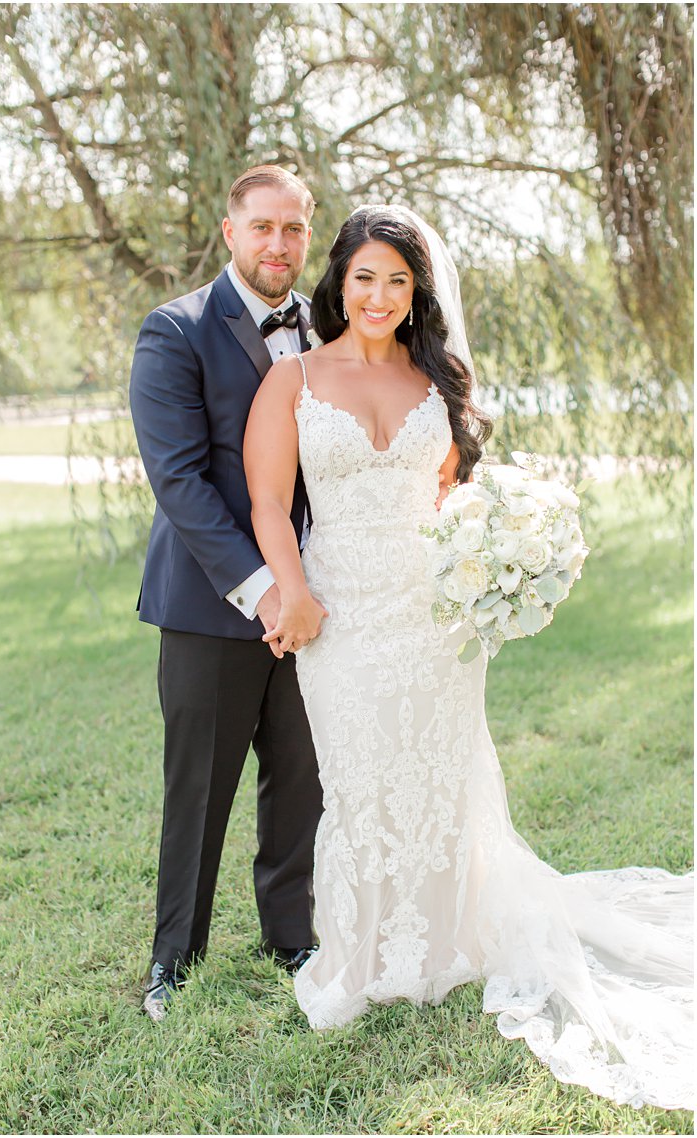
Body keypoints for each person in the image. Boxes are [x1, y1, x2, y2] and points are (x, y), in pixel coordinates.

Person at [244, 204, 693, 1110]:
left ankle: (447, 944)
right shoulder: (290, 379)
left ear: (418, 293)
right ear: (340, 283)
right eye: (364, 278)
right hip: (340, 615)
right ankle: (364, 955)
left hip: (433, 615)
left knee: (443, 774)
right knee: (361, 778)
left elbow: (455, 499)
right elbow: (267, 507)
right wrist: (291, 593)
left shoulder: (438, 379)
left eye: (397, 281)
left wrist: (504, 552)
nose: (378, 296)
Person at [128, 165, 325, 1020]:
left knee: (301, 779)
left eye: (294, 229)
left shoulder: (331, 329)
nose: (279, 245)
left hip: (318, 602)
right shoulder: (174, 331)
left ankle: (292, 937)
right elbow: (179, 483)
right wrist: (265, 590)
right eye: (263, 228)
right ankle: (175, 959)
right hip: (214, 608)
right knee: (199, 789)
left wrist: (308, 586)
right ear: (229, 231)